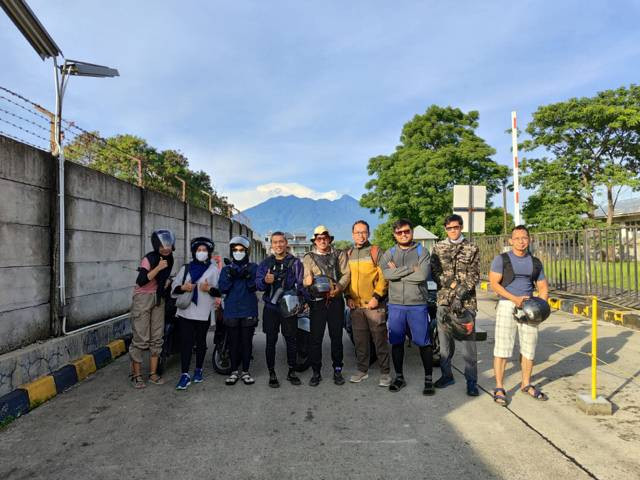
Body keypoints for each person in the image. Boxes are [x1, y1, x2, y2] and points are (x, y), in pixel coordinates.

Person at [489, 225, 549, 406]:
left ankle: (526, 383)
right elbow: (494, 283)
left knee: (529, 347)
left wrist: (540, 305)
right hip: (508, 304)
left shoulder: (535, 262)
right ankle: (499, 386)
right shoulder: (502, 259)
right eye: (517, 238)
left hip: (529, 307)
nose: (521, 241)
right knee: (502, 347)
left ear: (529, 239)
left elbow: (543, 287)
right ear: (511, 241)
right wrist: (514, 299)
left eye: (524, 238)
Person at [379, 219, 434, 395]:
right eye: (399, 232)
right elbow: (386, 274)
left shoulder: (422, 251)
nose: (403, 234)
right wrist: (411, 269)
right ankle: (399, 377)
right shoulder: (389, 253)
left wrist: (398, 273)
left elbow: (423, 276)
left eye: (406, 231)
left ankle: (428, 379)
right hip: (395, 305)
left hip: (417, 304)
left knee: (424, 343)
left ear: (411, 232)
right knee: (397, 343)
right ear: (394, 235)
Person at [430, 214, 480, 396]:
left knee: (468, 347)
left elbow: (475, 273)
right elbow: (435, 272)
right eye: (450, 228)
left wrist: (463, 292)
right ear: (446, 229)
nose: (453, 230)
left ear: (461, 227)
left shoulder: (472, 247)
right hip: (444, 301)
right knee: (444, 345)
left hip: (467, 304)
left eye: (456, 227)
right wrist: (454, 287)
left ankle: (472, 382)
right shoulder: (438, 248)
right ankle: (447, 375)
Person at [344, 220, 391, 387]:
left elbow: (384, 276)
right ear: (352, 234)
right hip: (356, 307)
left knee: (379, 340)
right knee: (360, 341)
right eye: (357, 232)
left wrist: (377, 297)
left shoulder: (375, 251)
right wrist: (347, 297)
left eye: (364, 232)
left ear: (369, 234)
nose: (361, 235)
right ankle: (362, 370)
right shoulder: (348, 253)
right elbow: (346, 278)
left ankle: (385, 372)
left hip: (374, 305)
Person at [302, 225, 349, 386]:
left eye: (325, 238)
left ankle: (337, 369)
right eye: (319, 238)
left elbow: (346, 274)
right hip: (317, 302)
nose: (322, 241)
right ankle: (316, 371)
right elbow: (306, 277)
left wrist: (339, 288)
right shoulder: (308, 257)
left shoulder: (339, 254)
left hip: (335, 300)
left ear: (329, 239)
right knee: (315, 338)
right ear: (315, 240)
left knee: (336, 337)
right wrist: (306, 282)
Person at [256, 231, 304, 387]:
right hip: (271, 307)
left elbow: (301, 285)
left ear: (286, 243)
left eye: (281, 242)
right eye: (275, 242)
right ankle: (272, 372)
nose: (278, 245)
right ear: (271, 244)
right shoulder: (265, 263)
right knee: (271, 340)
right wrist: (265, 281)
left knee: (291, 339)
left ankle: (292, 371)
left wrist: (304, 302)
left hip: (289, 306)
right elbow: (258, 285)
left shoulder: (295, 263)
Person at [172, 237, 221, 390]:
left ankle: (198, 369)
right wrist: (183, 288)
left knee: (201, 342)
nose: (201, 253)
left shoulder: (213, 270)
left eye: (204, 250)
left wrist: (209, 289)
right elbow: (174, 288)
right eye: (198, 250)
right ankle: (184, 374)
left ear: (209, 252)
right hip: (186, 312)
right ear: (194, 252)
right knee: (186, 343)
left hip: (203, 312)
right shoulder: (185, 268)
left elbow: (220, 291)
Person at [130, 229, 175, 389]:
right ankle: (136, 375)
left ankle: (153, 374)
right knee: (141, 337)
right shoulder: (149, 258)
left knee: (157, 336)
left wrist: (167, 281)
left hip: (158, 298)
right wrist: (158, 268)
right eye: (162, 246)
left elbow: (163, 279)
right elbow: (141, 280)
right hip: (143, 298)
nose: (166, 249)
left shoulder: (170, 259)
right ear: (156, 245)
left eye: (168, 245)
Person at [219, 236, 259, 385]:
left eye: (241, 250)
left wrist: (247, 277)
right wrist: (231, 277)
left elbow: (256, 286)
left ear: (247, 251)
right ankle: (234, 371)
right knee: (233, 341)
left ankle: (246, 371)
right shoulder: (226, 269)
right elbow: (222, 288)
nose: (238, 252)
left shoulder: (254, 267)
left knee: (246, 342)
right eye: (235, 250)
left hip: (248, 309)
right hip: (231, 310)